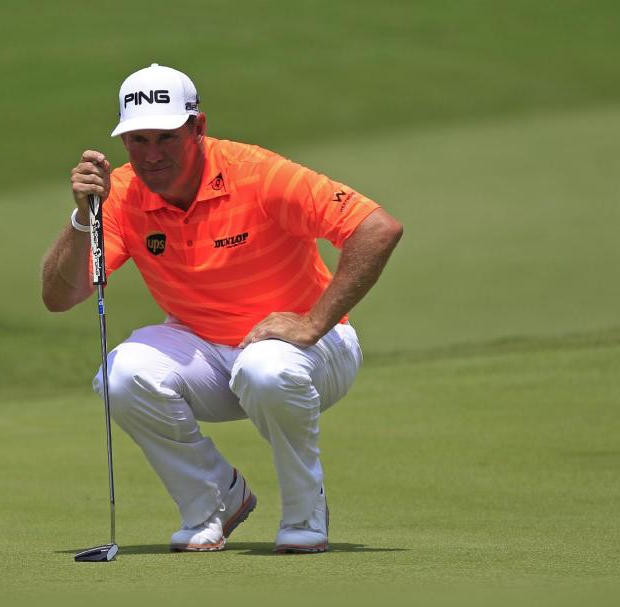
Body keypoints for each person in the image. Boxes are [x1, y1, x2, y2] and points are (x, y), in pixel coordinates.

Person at [41, 63, 402, 553]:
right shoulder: (119, 195)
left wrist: (314, 320)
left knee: (266, 368)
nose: (151, 154)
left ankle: (304, 512)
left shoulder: (258, 173)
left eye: (165, 137)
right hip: (204, 350)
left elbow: (377, 227)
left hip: (315, 351)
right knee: (121, 375)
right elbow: (61, 297)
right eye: (137, 140)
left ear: (198, 127)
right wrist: (83, 217)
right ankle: (213, 500)